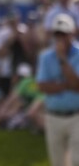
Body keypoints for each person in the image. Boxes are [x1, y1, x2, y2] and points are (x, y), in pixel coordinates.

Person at [36, 13, 79, 166]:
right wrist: (67, 85)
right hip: (53, 116)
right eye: (57, 34)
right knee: (58, 163)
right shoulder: (46, 57)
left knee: (76, 161)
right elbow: (42, 86)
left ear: (71, 33)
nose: (60, 37)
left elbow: (78, 85)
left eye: (64, 34)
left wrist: (62, 59)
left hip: (76, 116)